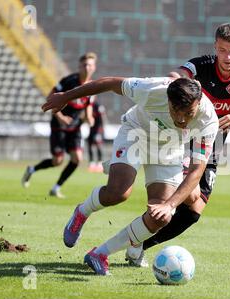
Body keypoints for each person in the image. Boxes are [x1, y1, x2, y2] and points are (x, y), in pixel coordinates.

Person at [41, 76, 218, 275]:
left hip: (169, 149)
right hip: (137, 132)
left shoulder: (208, 120)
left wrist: (170, 205)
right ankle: (82, 212)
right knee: (119, 193)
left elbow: (196, 170)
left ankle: (100, 254)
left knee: (160, 217)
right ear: (168, 100)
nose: (182, 119)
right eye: (176, 111)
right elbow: (109, 83)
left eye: (188, 113)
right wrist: (67, 96)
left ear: (199, 102)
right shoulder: (153, 89)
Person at [125, 23, 230, 266]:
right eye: (223, 50)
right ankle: (134, 236)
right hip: (183, 135)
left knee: (194, 211)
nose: (227, 56)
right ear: (216, 47)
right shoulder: (200, 65)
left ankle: (140, 243)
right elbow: (179, 75)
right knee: (182, 193)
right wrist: (174, 78)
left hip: (215, 141)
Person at [21, 52, 97, 198]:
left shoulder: (92, 87)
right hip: (59, 126)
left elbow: (88, 104)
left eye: (90, 65)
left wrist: (89, 118)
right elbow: (51, 98)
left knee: (77, 159)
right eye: (84, 65)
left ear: (94, 67)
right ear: (79, 66)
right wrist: (60, 117)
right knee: (58, 161)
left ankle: (56, 188)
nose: (87, 68)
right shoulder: (69, 81)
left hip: (75, 127)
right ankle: (32, 169)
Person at [87, 101, 106, 172]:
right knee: (90, 144)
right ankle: (91, 162)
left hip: (99, 129)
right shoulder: (88, 106)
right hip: (92, 129)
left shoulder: (98, 105)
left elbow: (102, 117)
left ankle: (100, 162)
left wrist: (101, 129)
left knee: (98, 145)